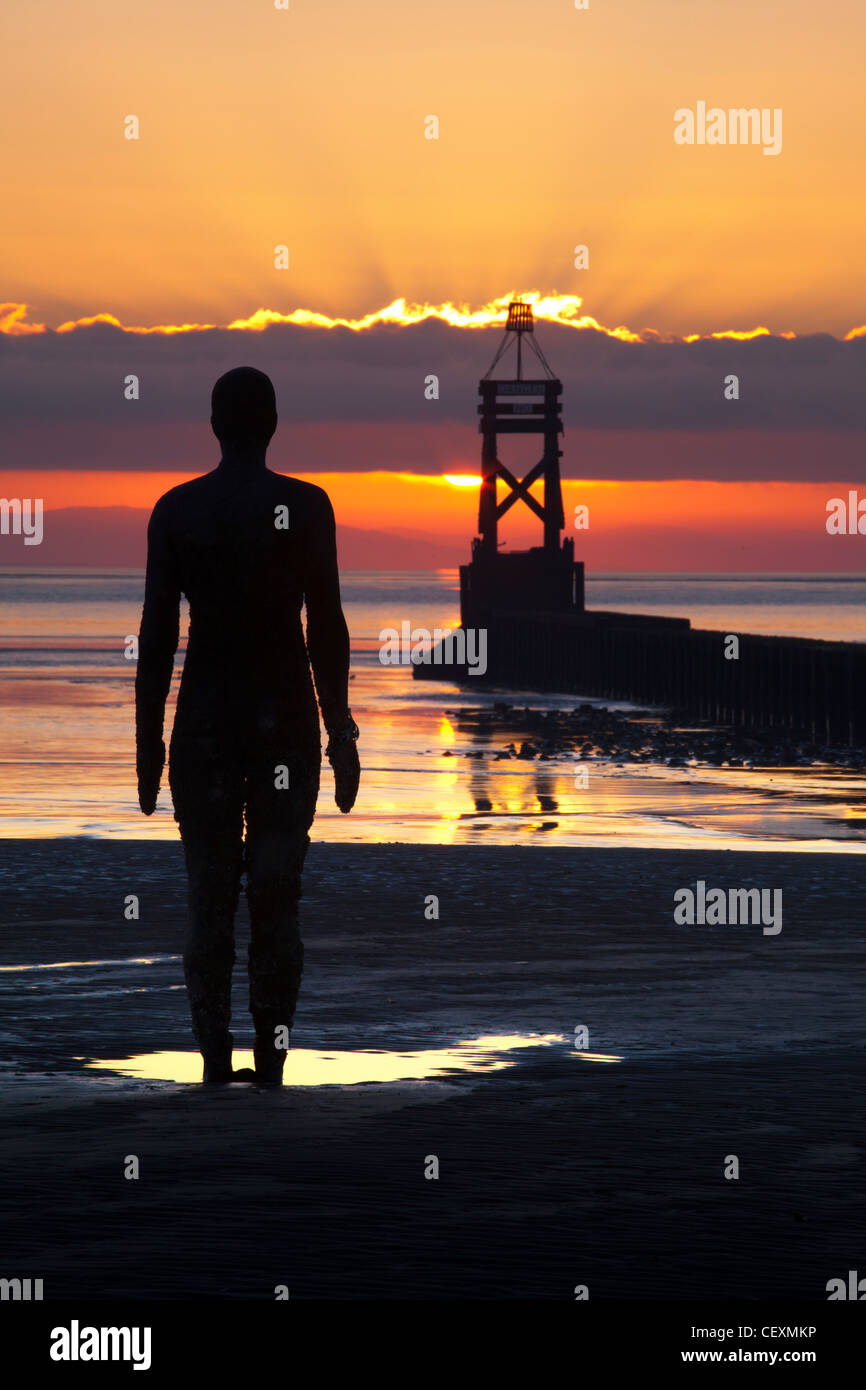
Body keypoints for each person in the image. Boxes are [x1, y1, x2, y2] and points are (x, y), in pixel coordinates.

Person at [135, 366, 359, 1084]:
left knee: (210, 892)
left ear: (213, 424)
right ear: (271, 425)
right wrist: (341, 731)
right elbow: (326, 625)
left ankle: (214, 1060)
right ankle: (269, 1061)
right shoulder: (306, 506)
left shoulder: (178, 511)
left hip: (202, 720)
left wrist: (147, 738)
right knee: (274, 889)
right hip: (285, 721)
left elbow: (157, 635)